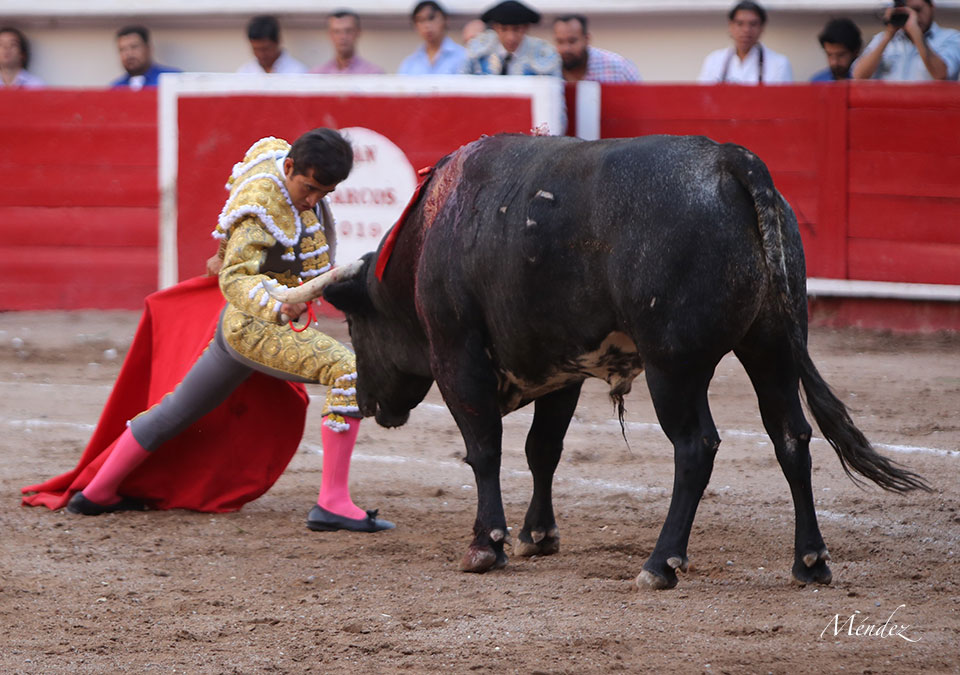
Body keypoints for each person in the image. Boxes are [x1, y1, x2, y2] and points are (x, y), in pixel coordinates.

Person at [60, 129, 394, 534]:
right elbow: (235, 278)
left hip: (235, 328)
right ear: (290, 167)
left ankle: (97, 493)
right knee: (348, 371)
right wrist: (276, 304)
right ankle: (333, 503)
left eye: (324, 192)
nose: (312, 201)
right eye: (308, 188)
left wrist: (222, 250)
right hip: (254, 325)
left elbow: (234, 210)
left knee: (177, 409)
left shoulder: (273, 156)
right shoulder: (263, 205)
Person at [852, 0, 960, 81]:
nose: (914, 17)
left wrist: (916, 34)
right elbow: (858, 76)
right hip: (888, 104)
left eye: (917, 10)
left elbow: (941, 74)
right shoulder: (882, 39)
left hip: (930, 104)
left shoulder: (950, 37)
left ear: (931, 7)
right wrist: (889, 34)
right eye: (907, 12)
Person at [697, 1, 793, 84]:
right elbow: (703, 96)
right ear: (731, 26)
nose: (746, 30)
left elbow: (782, 99)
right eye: (740, 24)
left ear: (762, 27)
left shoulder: (779, 64)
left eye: (753, 24)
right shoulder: (714, 61)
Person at [461, 0, 560, 77]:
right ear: (495, 28)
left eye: (516, 29)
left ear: (526, 28)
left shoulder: (544, 54)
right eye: (504, 29)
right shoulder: (478, 51)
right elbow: (463, 84)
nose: (510, 37)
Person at [552, 14, 640, 82]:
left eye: (572, 41)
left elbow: (641, 98)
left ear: (586, 39)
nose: (566, 48)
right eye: (560, 42)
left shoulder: (619, 68)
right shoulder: (548, 69)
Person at [398, 1, 467, 75]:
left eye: (431, 18)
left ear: (445, 19)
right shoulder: (409, 64)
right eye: (420, 20)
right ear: (415, 26)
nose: (427, 25)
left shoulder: (463, 57)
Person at [311, 11, 384, 74]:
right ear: (329, 34)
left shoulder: (373, 74)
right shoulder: (317, 75)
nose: (343, 37)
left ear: (358, 32)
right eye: (336, 31)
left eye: (348, 31)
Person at [110, 25, 181, 89]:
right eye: (122, 49)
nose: (129, 54)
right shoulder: (116, 88)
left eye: (134, 47)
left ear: (148, 48)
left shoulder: (174, 79)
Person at [237, 15, 308, 74]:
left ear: (278, 42)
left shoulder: (298, 72)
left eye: (265, 49)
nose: (261, 54)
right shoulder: (244, 72)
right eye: (256, 49)